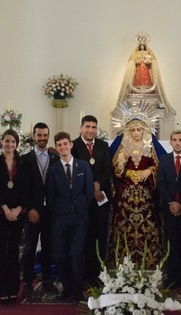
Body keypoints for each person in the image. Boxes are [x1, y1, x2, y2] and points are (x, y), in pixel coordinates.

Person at [107, 116, 165, 269]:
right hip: (126, 194)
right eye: (132, 130)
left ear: (144, 130)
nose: (136, 133)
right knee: (124, 224)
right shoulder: (123, 147)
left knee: (148, 223)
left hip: (146, 194)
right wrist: (121, 163)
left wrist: (150, 170)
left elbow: (161, 165)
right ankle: (122, 263)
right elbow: (116, 172)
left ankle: (150, 263)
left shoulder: (150, 147)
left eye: (139, 130)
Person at [45, 132, 95, 303]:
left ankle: (77, 290)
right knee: (59, 255)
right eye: (59, 145)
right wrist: (60, 211)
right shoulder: (53, 170)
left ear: (71, 145)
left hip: (79, 217)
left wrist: (79, 209)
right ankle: (67, 289)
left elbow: (89, 192)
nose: (63, 147)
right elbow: (50, 196)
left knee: (76, 253)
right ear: (56, 148)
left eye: (65, 144)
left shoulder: (84, 166)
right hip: (60, 217)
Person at [71, 115, 113, 286]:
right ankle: (83, 274)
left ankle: (98, 273)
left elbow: (108, 169)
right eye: (87, 127)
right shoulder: (73, 146)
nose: (90, 130)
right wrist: (91, 188)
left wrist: (98, 185)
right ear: (81, 128)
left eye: (93, 127)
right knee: (84, 237)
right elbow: (74, 172)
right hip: (83, 200)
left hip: (101, 197)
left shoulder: (103, 145)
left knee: (100, 235)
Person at [0, 129, 29, 305]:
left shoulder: (23, 163)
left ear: (17, 144)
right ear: (2, 142)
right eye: (7, 141)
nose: (10, 144)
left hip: (19, 213)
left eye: (13, 141)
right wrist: (6, 209)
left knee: (13, 250)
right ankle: (1, 291)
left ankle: (13, 290)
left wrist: (18, 209)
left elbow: (26, 188)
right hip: (0, 213)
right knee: (1, 250)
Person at [20, 122, 59, 298]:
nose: (42, 138)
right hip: (32, 212)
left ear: (48, 136)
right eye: (39, 135)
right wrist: (29, 208)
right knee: (29, 248)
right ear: (34, 136)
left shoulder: (55, 158)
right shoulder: (25, 159)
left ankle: (47, 281)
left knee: (48, 247)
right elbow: (21, 188)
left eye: (45, 135)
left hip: (50, 212)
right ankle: (28, 283)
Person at [157, 130, 181, 292]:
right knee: (171, 243)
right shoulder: (164, 160)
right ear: (170, 142)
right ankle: (173, 276)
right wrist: (171, 204)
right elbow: (161, 185)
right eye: (175, 140)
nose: (178, 142)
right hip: (170, 210)